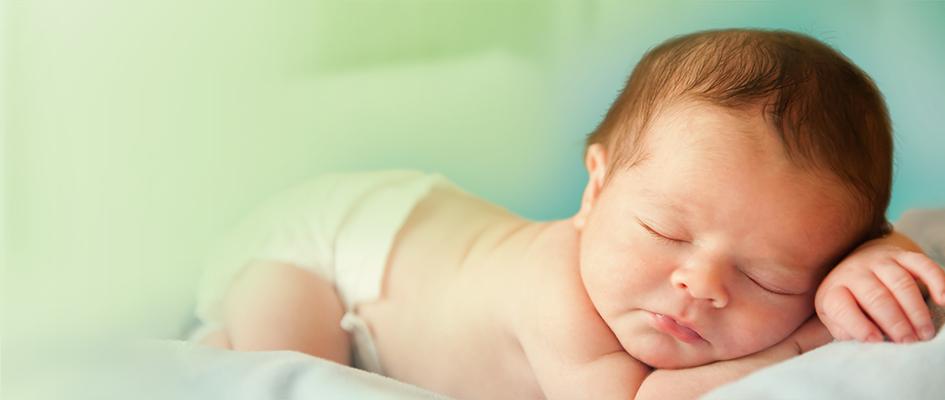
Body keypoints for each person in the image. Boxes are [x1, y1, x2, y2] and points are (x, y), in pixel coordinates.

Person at [190, 28, 945, 399]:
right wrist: (806, 332)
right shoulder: (558, 295)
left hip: (426, 231)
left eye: (772, 277)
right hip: (325, 249)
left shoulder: (678, 281)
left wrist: (872, 257)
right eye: (663, 232)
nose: (700, 284)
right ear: (594, 190)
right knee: (302, 375)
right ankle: (223, 341)